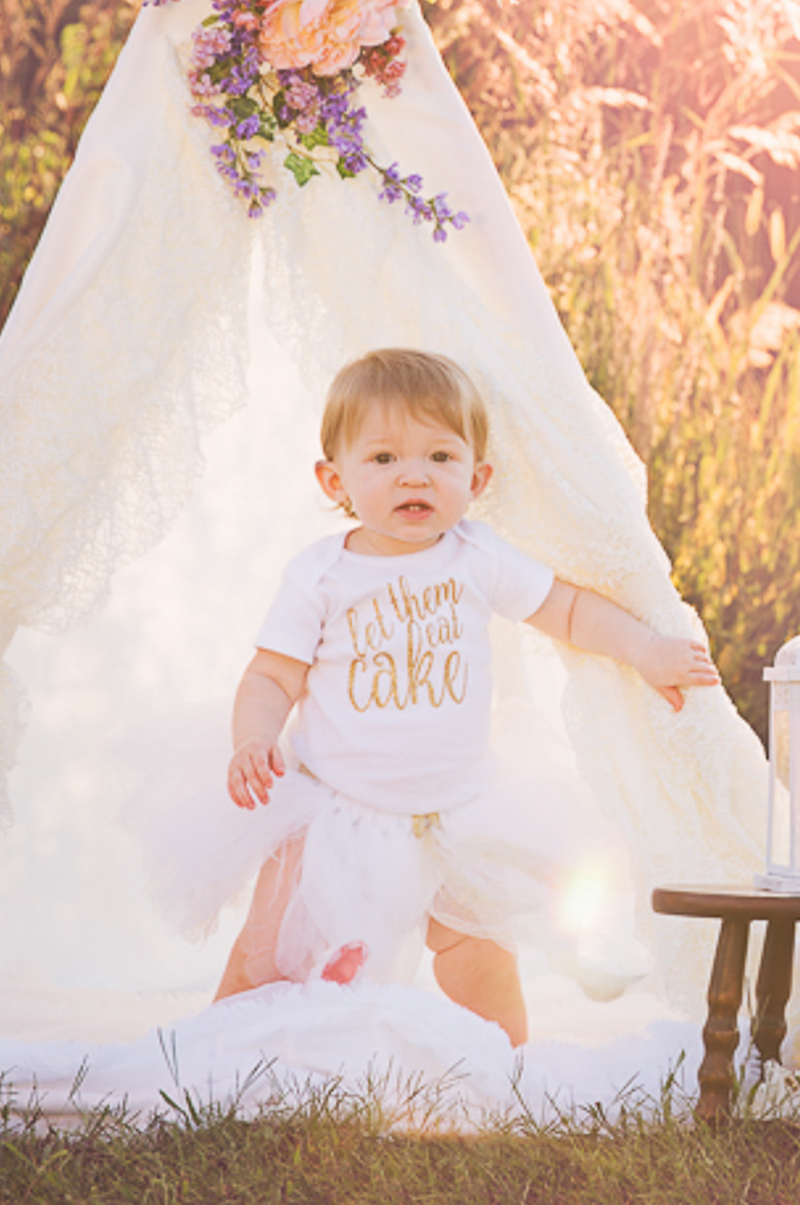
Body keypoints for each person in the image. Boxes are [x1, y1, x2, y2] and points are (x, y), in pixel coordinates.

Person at [210, 349, 717, 1042]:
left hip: (455, 813)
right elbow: (272, 677)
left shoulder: (477, 557)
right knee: (268, 949)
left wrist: (644, 649)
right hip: (337, 812)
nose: (414, 474)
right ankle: (216, 1055)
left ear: (476, 478)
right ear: (336, 479)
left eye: (440, 458)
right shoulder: (321, 576)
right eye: (383, 459)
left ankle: (503, 1073)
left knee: (481, 958)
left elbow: (566, 610)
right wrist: (253, 738)